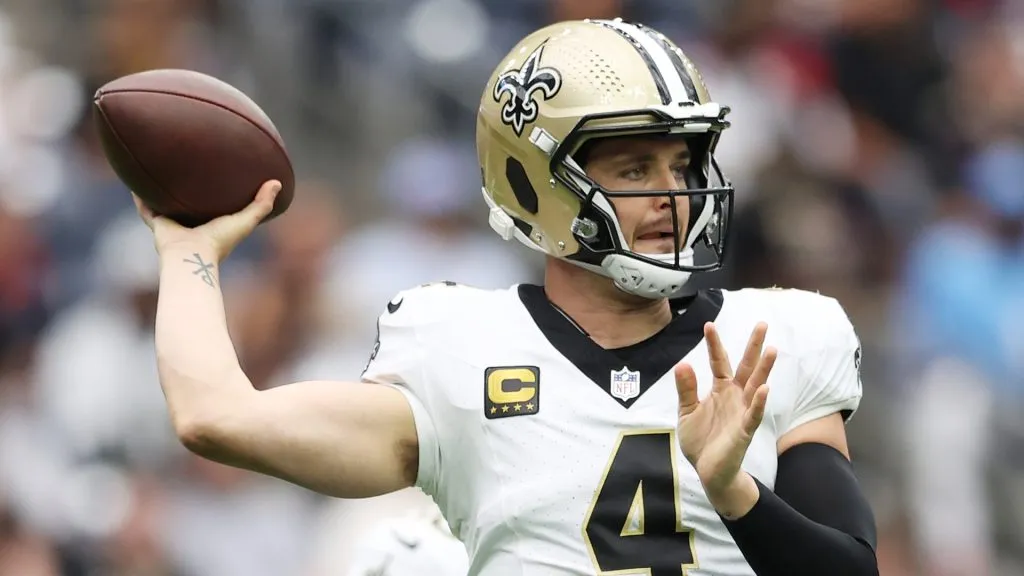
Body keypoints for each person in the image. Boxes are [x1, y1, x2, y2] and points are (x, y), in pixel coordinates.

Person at [133, 18, 878, 576]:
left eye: (681, 164)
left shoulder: (772, 336)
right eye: (634, 166)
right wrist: (190, 254)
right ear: (535, 183)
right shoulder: (454, 347)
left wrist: (733, 491)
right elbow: (215, 417)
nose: (672, 194)